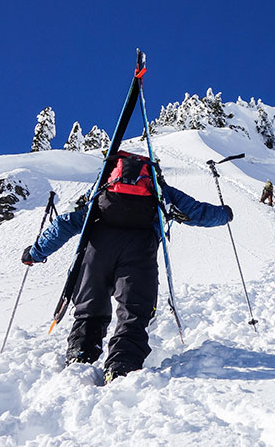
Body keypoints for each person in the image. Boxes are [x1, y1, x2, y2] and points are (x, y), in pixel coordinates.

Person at [21, 152, 231, 383]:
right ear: (153, 173)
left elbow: (65, 223)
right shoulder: (161, 192)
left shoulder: (102, 189)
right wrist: (226, 214)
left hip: (97, 253)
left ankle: (80, 357)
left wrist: (35, 253)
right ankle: (122, 367)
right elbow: (199, 213)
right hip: (140, 252)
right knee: (133, 313)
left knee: (90, 310)